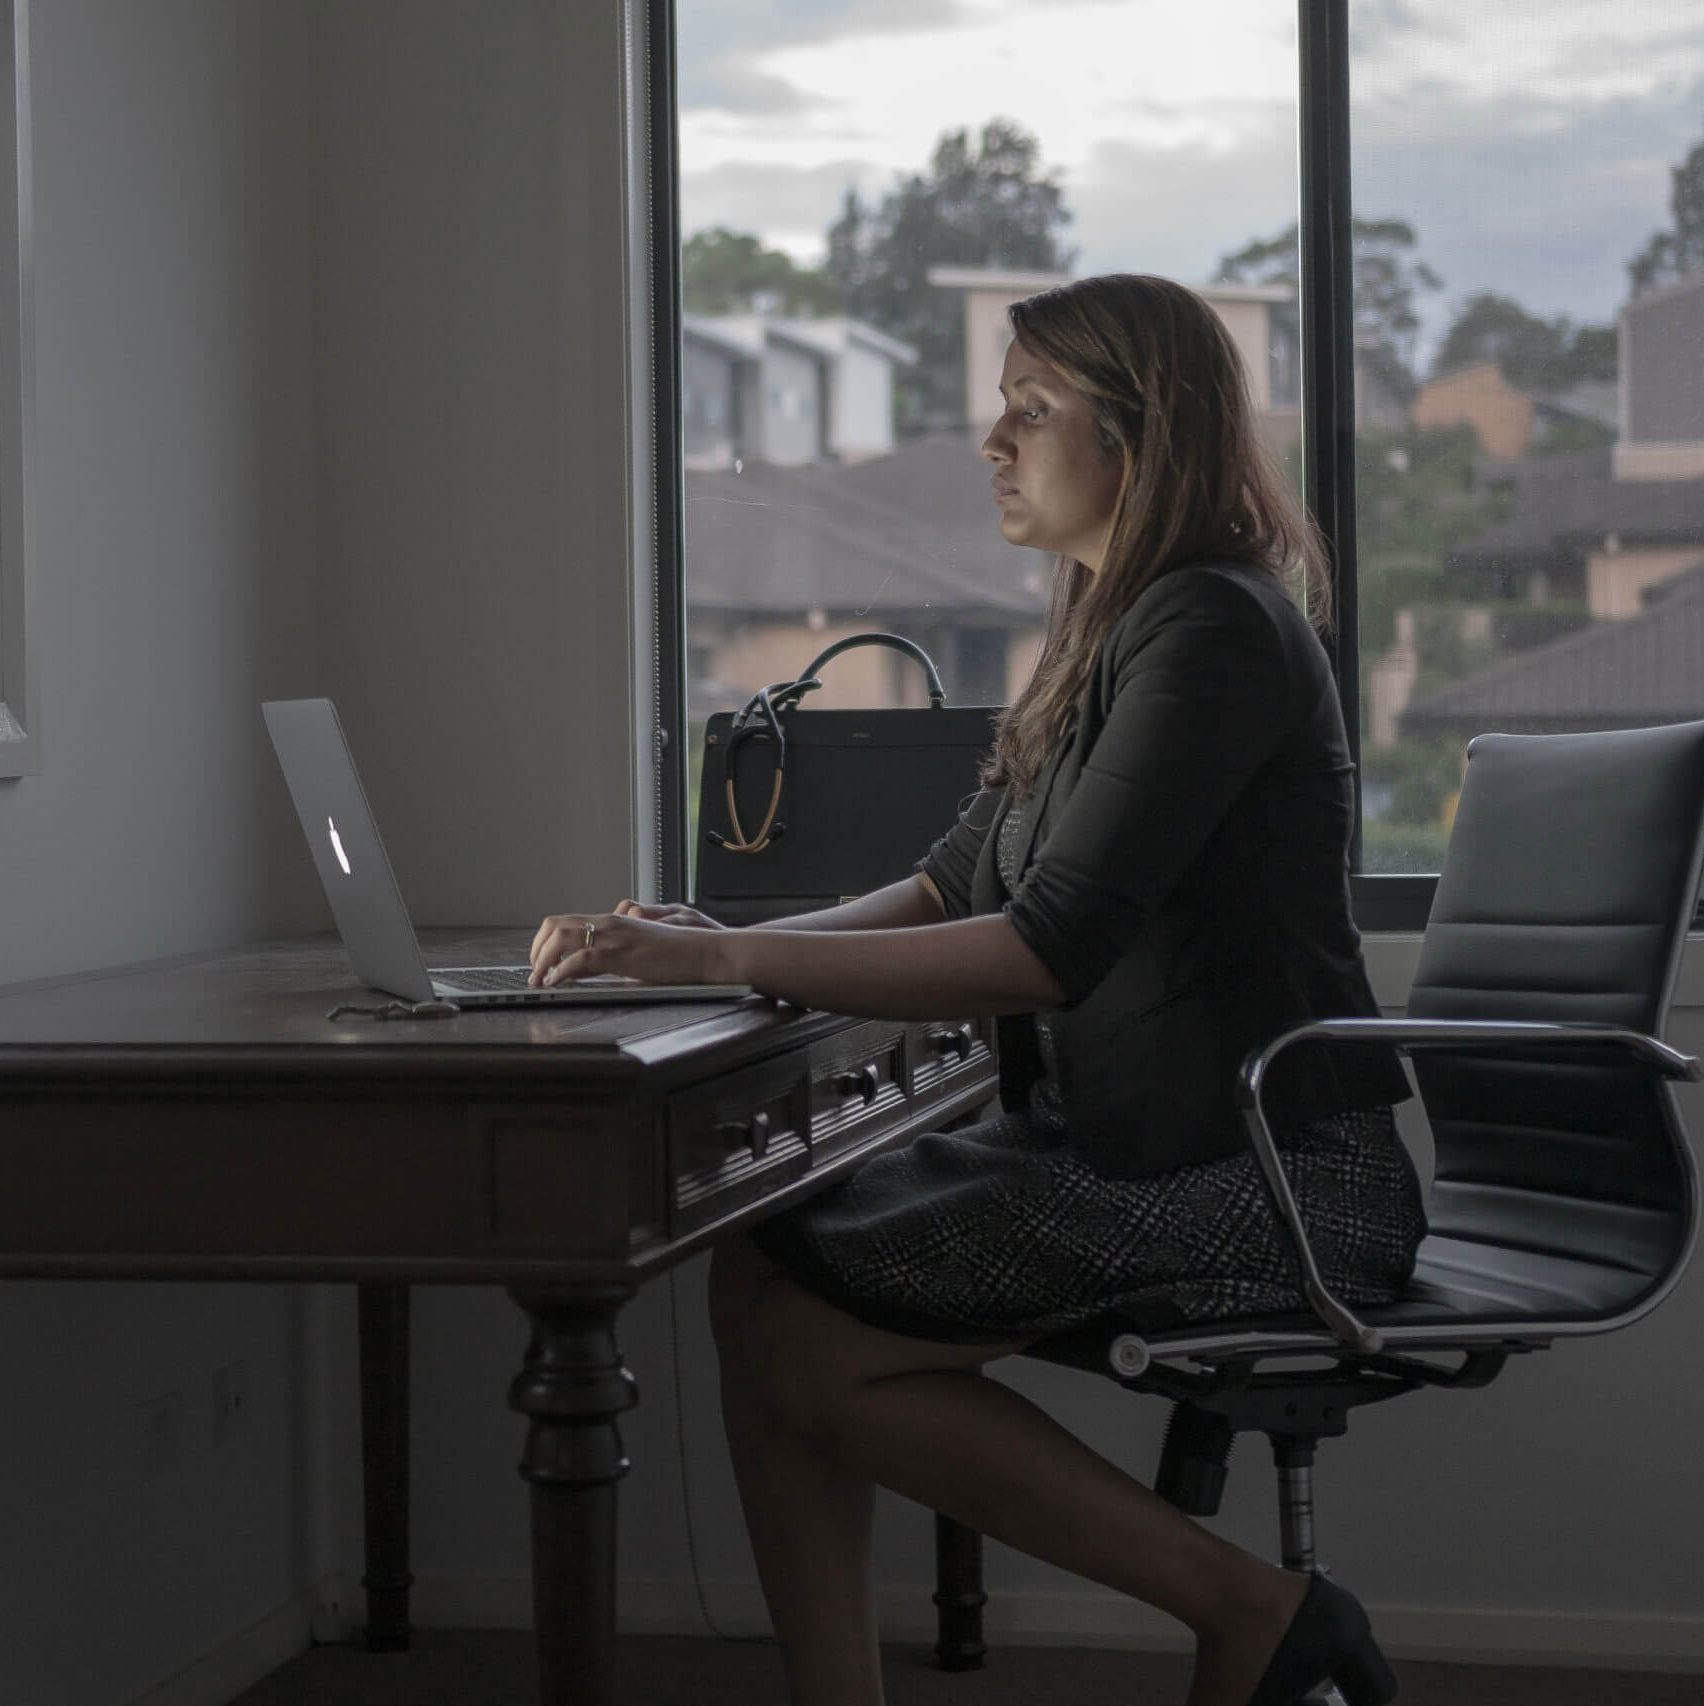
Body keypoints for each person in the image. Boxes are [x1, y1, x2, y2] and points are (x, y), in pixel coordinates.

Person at [526, 273, 1424, 1706]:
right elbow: (955, 883)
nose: (994, 444)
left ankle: (1249, 1605)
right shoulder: (1105, 630)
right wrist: (722, 929)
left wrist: (732, 960)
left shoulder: (1215, 630)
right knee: (763, 1265)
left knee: (806, 1340)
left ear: (1141, 438)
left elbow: (1043, 945)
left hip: (1272, 1173)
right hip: (1144, 1145)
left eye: (1031, 411)